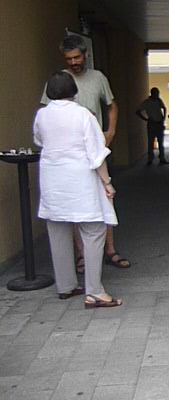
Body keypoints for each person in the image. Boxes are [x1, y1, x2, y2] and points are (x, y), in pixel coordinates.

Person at [40, 35, 130, 272]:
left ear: (85, 55)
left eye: (77, 57)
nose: (73, 62)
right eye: (68, 58)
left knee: (105, 199)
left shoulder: (98, 77)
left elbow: (111, 105)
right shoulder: (58, 80)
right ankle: (81, 255)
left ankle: (110, 250)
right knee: (75, 206)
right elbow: (46, 111)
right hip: (70, 155)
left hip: (95, 149)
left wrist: (110, 131)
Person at [34, 71, 122, 308]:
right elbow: (96, 153)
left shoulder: (42, 115)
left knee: (58, 231)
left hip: (52, 181)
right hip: (80, 181)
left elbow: (39, 141)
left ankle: (66, 286)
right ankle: (95, 291)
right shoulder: (83, 115)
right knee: (94, 231)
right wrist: (107, 182)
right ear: (74, 91)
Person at [136, 87, 168, 166]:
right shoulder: (147, 102)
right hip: (152, 123)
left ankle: (162, 158)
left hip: (159, 122)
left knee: (160, 141)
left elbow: (164, 108)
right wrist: (146, 119)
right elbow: (138, 111)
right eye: (156, 93)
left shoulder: (158, 100)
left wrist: (163, 118)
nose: (157, 95)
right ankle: (150, 159)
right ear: (152, 93)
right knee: (151, 142)